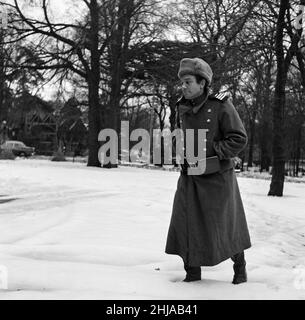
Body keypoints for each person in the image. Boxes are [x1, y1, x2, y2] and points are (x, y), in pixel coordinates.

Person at [165, 57, 251, 284]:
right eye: (182, 82)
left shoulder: (221, 105)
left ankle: (240, 268)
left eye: (188, 81)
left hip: (217, 178)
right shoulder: (180, 106)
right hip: (190, 176)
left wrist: (212, 151)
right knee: (185, 223)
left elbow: (238, 139)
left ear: (202, 83)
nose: (183, 86)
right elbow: (178, 135)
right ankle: (192, 273)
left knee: (225, 226)